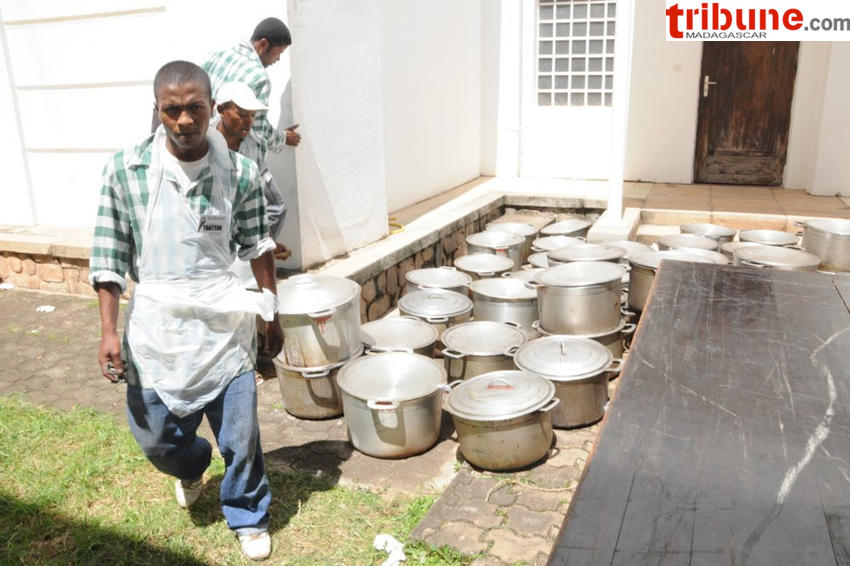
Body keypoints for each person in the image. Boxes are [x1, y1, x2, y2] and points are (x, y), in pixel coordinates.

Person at [90, 60, 282, 561]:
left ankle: (248, 513)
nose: (184, 120)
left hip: (224, 323)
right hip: (157, 327)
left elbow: (259, 245)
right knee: (156, 436)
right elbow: (109, 257)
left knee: (240, 434)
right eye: (171, 109)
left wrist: (270, 311)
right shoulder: (126, 171)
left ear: (211, 107)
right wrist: (108, 332)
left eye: (195, 107)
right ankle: (192, 466)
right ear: (157, 110)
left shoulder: (240, 172)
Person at [203, 17, 301, 155]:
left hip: (201, 146)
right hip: (229, 154)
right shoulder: (260, 78)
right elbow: (258, 132)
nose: (278, 59)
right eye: (278, 53)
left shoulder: (215, 56)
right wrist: (283, 138)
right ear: (264, 44)